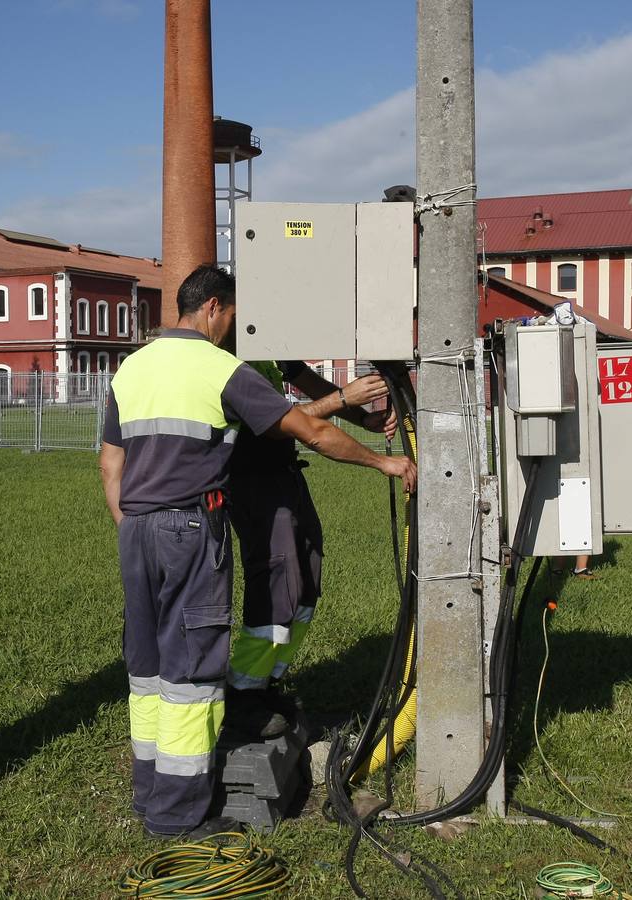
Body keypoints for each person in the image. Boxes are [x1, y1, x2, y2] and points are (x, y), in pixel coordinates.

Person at [99, 264, 416, 841]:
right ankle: (179, 816)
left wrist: (133, 524)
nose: (236, 327)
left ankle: (151, 796)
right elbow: (312, 432)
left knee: (148, 671)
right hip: (188, 528)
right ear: (215, 307)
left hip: (135, 528)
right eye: (235, 315)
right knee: (193, 674)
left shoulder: (132, 367)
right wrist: (384, 461)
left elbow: (110, 463)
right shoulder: (223, 369)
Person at [224, 361, 397, 733]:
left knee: (305, 580)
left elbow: (312, 384)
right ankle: (243, 696)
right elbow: (276, 422)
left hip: (284, 477)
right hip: (253, 484)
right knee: (277, 584)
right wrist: (343, 398)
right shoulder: (231, 355)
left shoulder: (271, 346)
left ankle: (266, 681)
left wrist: (362, 418)